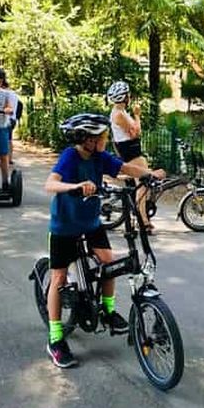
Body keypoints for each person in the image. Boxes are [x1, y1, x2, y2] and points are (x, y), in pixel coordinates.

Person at [44, 113, 166, 368]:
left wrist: (149, 174)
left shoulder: (100, 157)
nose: (106, 139)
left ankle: (108, 312)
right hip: (65, 226)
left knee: (109, 263)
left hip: (91, 223)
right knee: (58, 278)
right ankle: (55, 338)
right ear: (87, 139)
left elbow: (123, 168)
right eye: (102, 136)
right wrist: (76, 186)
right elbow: (50, 184)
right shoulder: (70, 156)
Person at [108, 81, 155, 233]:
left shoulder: (119, 112)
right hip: (131, 151)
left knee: (143, 184)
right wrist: (137, 115)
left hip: (131, 150)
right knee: (144, 185)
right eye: (128, 94)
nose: (130, 96)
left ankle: (140, 217)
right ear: (124, 97)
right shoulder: (119, 114)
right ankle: (143, 221)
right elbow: (136, 132)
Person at [2, 78, 21, 164]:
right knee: (9, 139)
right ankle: (9, 159)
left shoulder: (3, 94)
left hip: (4, 119)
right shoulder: (14, 94)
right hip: (12, 119)